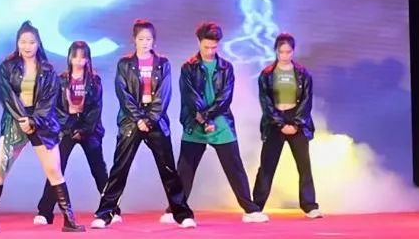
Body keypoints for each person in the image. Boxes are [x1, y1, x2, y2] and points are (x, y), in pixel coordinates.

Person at [0, 21, 84, 233]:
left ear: (38, 43)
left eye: (31, 42)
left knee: (54, 171)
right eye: (23, 42)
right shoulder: (7, 67)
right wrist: (23, 119)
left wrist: (34, 121)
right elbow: (7, 96)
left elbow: (49, 101)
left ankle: (69, 219)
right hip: (15, 120)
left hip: (42, 123)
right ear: (17, 43)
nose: (27, 46)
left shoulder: (48, 70)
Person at [159, 22, 268, 224]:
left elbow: (225, 98)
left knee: (235, 167)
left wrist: (209, 118)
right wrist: (203, 120)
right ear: (198, 42)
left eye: (214, 47)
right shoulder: (188, 67)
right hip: (195, 122)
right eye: (206, 47)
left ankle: (250, 209)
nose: (210, 51)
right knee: (185, 170)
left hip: (220, 122)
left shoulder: (226, 67)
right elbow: (190, 97)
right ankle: (174, 210)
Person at [91, 20, 196, 229]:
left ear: (154, 40)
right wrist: (139, 118)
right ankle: (105, 214)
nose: (145, 42)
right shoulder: (124, 64)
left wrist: (149, 119)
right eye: (141, 39)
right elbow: (123, 93)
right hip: (131, 122)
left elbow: (164, 94)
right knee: (119, 169)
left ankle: (182, 214)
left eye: (148, 39)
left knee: (168, 170)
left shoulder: (163, 63)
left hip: (156, 122)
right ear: (134, 40)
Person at [33, 41, 114, 226]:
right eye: (75, 56)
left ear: (88, 59)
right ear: (69, 57)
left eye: (83, 57)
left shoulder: (94, 81)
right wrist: (68, 128)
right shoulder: (61, 80)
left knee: (98, 169)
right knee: (55, 168)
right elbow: (55, 108)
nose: (78, 60)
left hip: (89, 130)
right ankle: (45, 212)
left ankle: (111, 210)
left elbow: (96, 108)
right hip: (66, 129)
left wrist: (84, 129)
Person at [251, 33, 322, 219]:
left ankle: (310, 205)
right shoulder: (267, 74)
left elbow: (306, 101)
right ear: (276, 51)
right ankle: (256, 206)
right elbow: (265, 102)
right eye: (281, 52)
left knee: (304, 165)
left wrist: (296, 123)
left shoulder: (303, 73)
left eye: (288, 52)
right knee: (267, 166)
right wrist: (280, 123)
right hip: (274, 121)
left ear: (293, 51)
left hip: (297, 120)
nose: (284, 55)